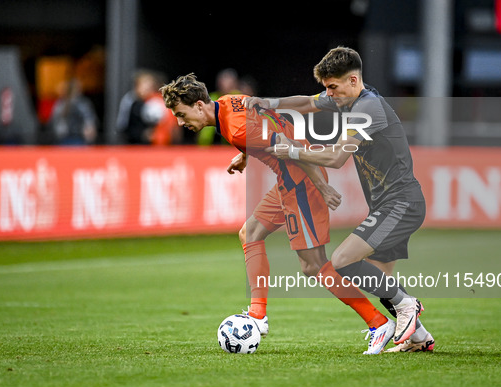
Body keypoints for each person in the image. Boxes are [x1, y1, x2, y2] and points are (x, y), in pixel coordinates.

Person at [161, 73, 396, 355]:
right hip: (288, 179)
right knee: (250, 233)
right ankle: (258, 315)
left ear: (199, 105)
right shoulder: (228, 103)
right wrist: (245, 155)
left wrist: (321, 186)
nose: (179, 122)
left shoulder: (235, 127)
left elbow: (289, 146)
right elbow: (266, 121)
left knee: (313, 265)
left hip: (301, 180)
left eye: (180, 113)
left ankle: (378, 322)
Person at [246, 46, 434, 352]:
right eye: (327, 88)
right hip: (390, 204)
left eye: (333, 87)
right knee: (379, 278)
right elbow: (307, 102)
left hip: (400, 203)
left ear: (353, 80)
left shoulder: (367, 108)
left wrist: (290, 150)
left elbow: (335, 158)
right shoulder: (347, 99)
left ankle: (409, 306)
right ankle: (420, 338)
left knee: (343, 261)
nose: (328, 94)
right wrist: (269, 103)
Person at [48, 78, 98, 145]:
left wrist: (89, 128)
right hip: (63, 139)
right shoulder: (61, 104)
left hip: (79, 138)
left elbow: (89, 119)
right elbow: (54, 120)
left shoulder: (82, 103)